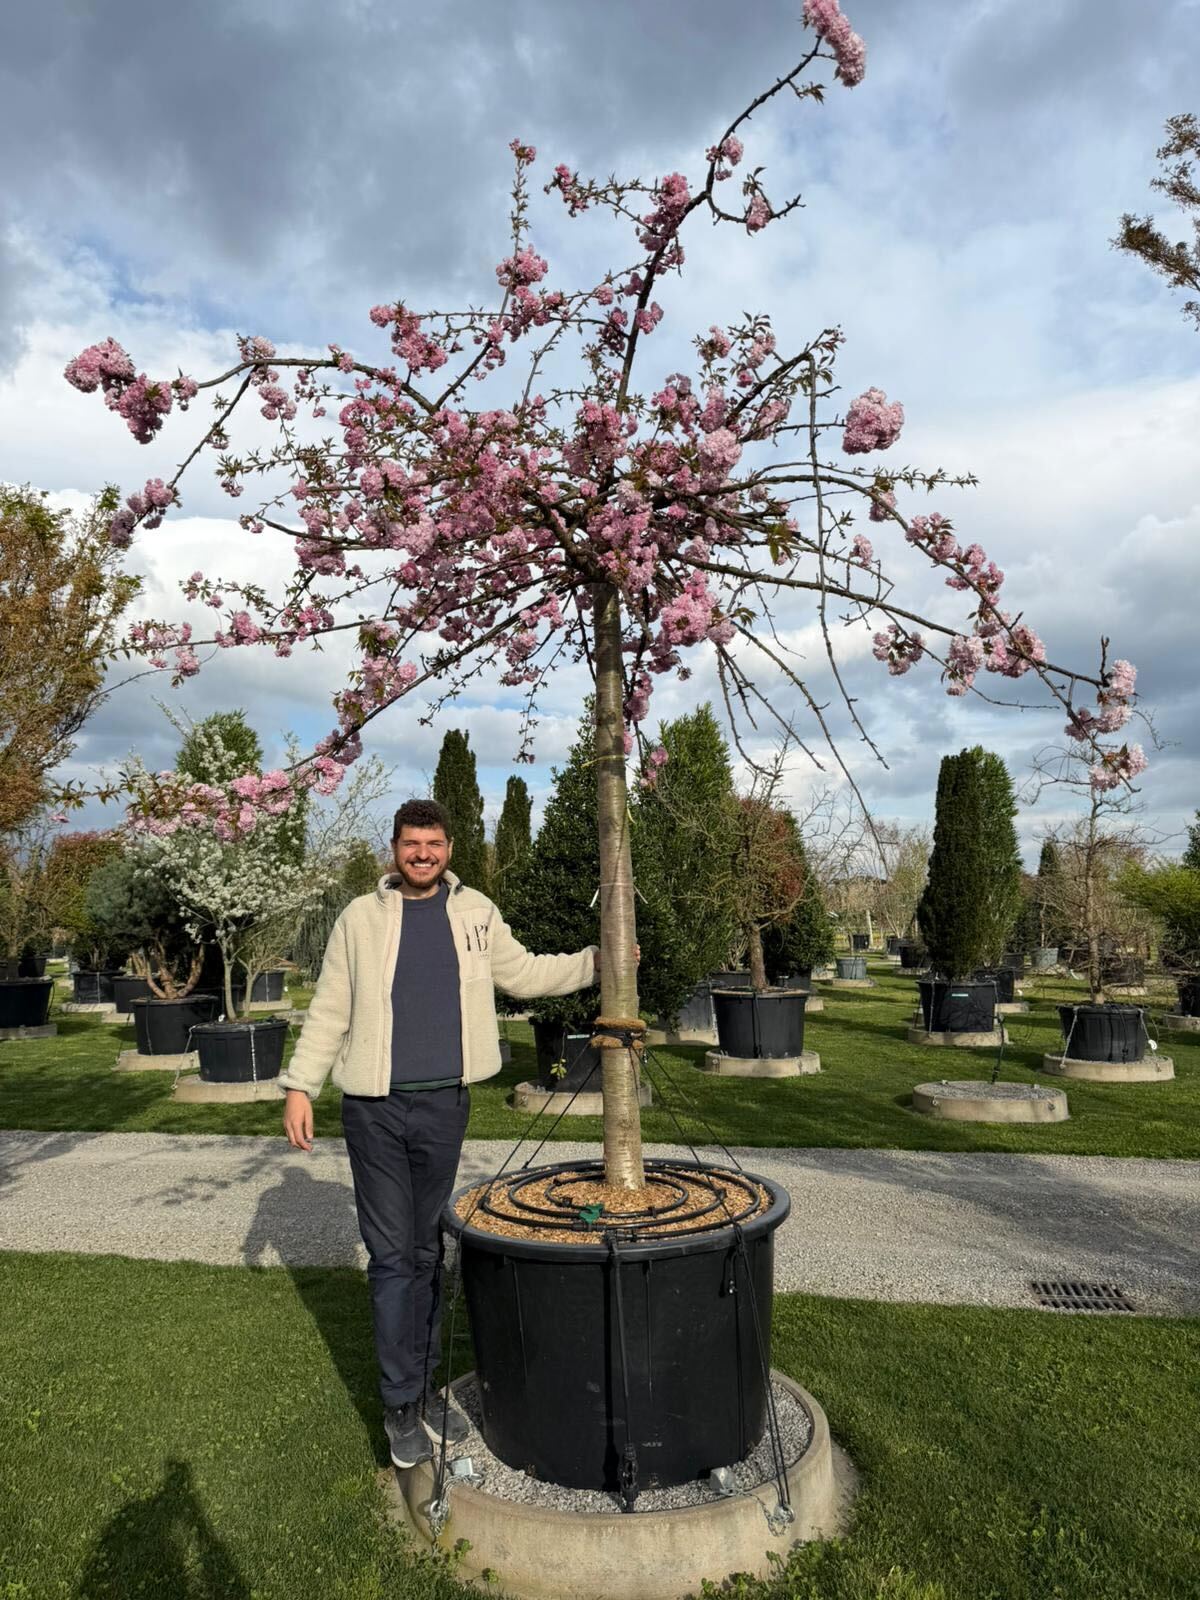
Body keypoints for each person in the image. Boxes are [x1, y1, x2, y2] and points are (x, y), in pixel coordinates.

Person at [279, 797, 599, 1470]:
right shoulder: (360, 918)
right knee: (392, 1258)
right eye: (409, 843)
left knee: (429, 1254)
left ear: (450, 848)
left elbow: (525, 973)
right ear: (393, 849)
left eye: (432, 843)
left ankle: (422, 1389)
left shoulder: (475, 911)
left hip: (444, 1109)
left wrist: (596, 960)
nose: (421, 854)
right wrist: (300, 1086)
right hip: (374, 1108)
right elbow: (330, 1006)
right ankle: (399, 1404)